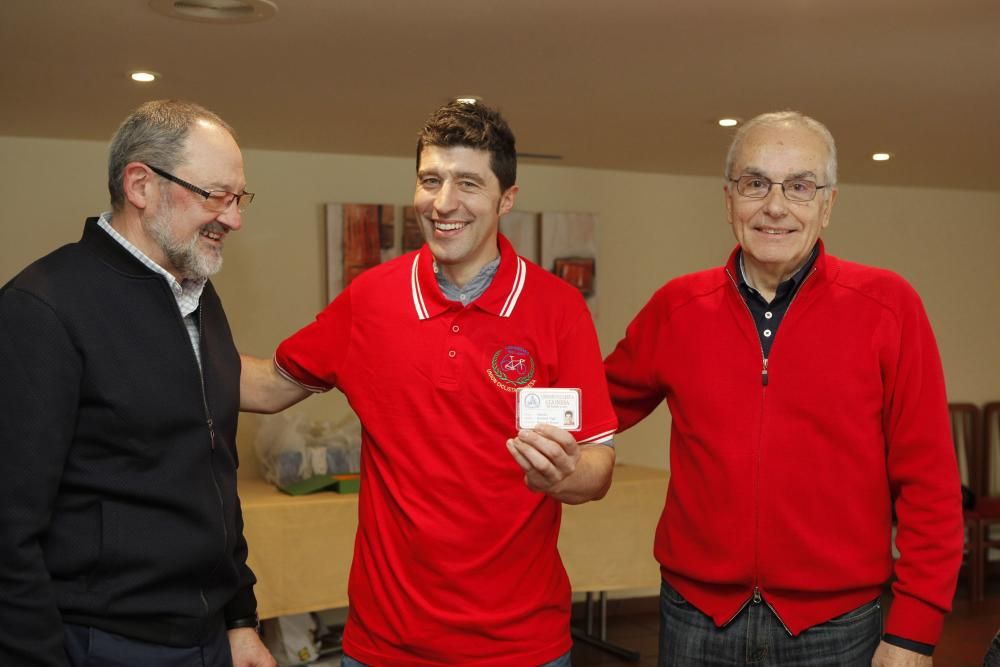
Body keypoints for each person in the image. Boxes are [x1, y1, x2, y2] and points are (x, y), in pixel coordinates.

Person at [241, 99, 618, 666]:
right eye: (430, 180)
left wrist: (566, 473)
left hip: (522, 648)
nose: (443, 203)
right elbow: (269, 385)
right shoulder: (370, 298)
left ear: (506, 199)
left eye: (468, 183)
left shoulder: (559, 309)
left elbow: (596, 466)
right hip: (383, 647)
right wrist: (162, 345)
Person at [603, 111, 964, 666]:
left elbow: (931, 483)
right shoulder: (677, 308)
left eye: (799, 186)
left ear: (828, 203)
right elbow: (591, 404)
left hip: (837, 629)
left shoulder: (889, 308)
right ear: (730, 201)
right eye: (755, 184)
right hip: (696, 620)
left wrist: (914, 630)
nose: (775, 206)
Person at [0, 100, 274, 667]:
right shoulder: (42, 308)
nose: (234, 218)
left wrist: (240, 620)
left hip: (207, 636)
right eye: (215, 195)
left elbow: (213, 472)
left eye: (238, 197)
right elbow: (8, 529)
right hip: (102, 643)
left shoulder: (197, 292)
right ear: (142, 185)